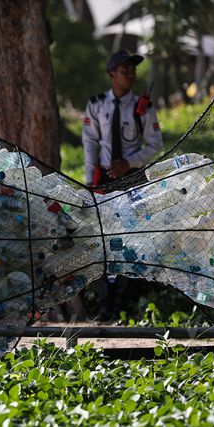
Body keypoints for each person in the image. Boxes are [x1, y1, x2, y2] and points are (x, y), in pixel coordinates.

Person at [82, 49, 163, 321]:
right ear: (111, 74)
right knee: (101, 240)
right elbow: (90, 143)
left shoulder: (143, 106)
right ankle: (105, 305)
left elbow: (155, 145)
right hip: (103, 179)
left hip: (133, 178)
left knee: (132, 239)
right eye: (124, 70)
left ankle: (125, 305)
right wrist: (89, 179)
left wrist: (129, 162)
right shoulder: (95, 105)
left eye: (133, 70)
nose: (130, 74)